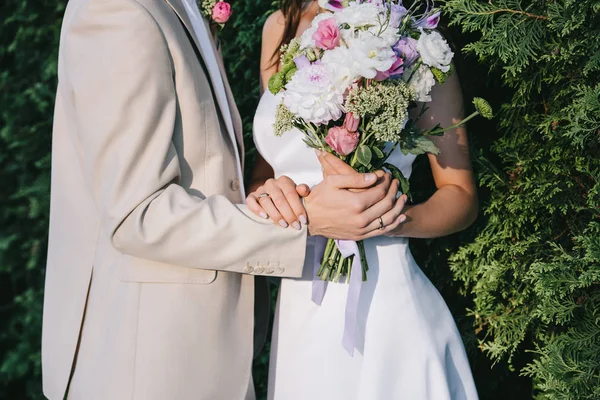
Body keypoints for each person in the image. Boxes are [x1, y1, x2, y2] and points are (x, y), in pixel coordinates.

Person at [41, 0, 406, 399]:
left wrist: (273, 196)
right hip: (148, 362)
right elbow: (136, 214)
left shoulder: (177, 9)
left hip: (207, 347)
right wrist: (303, 219)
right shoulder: (118, 11)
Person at [247, 1, 480, 398]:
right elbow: (266, 171)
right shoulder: (280, 27)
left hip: (387, 306)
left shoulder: (413, 38)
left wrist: (388, 218)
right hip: (299, 300)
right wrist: (268, 200)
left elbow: (460, 195)